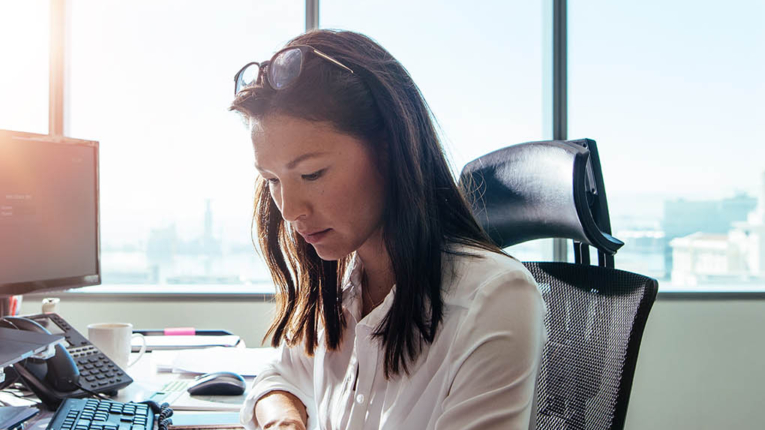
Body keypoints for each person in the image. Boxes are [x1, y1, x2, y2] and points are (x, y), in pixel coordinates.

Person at [229, 29, 546, 430]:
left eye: (312, 173)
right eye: (272, 180)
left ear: (390, 149)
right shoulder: (346, 283)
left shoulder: (494, 299)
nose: (290, 210)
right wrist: (283, 422)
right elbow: (277, 379)